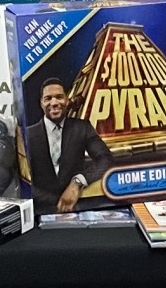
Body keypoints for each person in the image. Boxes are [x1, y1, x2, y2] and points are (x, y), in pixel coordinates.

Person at [23, 80, 111, 212]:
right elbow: (24, 181)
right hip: (40, 210)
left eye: (59, 97)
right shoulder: (27, 135)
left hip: (79, 208)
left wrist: (77, 182)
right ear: (41, 103)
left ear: (67, 100)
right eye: (48, 98)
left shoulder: (82, 128)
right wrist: (58, 201)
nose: (54, 103)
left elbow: (106, 159)